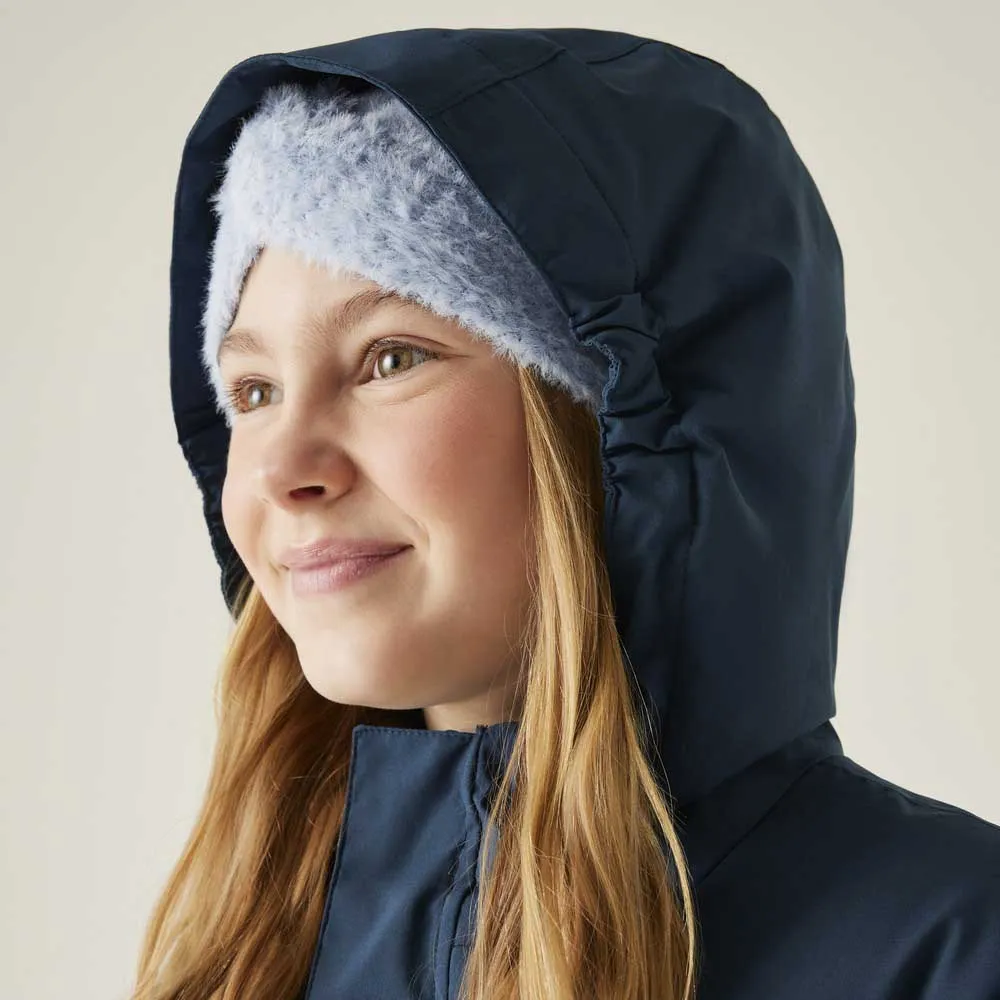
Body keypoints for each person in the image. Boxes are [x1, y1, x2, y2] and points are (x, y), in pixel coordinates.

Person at [135, 26, 1000, 1000]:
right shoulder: (255, 953)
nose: (282, 469)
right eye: (252, 391)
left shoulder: (954, 952)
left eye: (390, 359)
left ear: (625, 426)